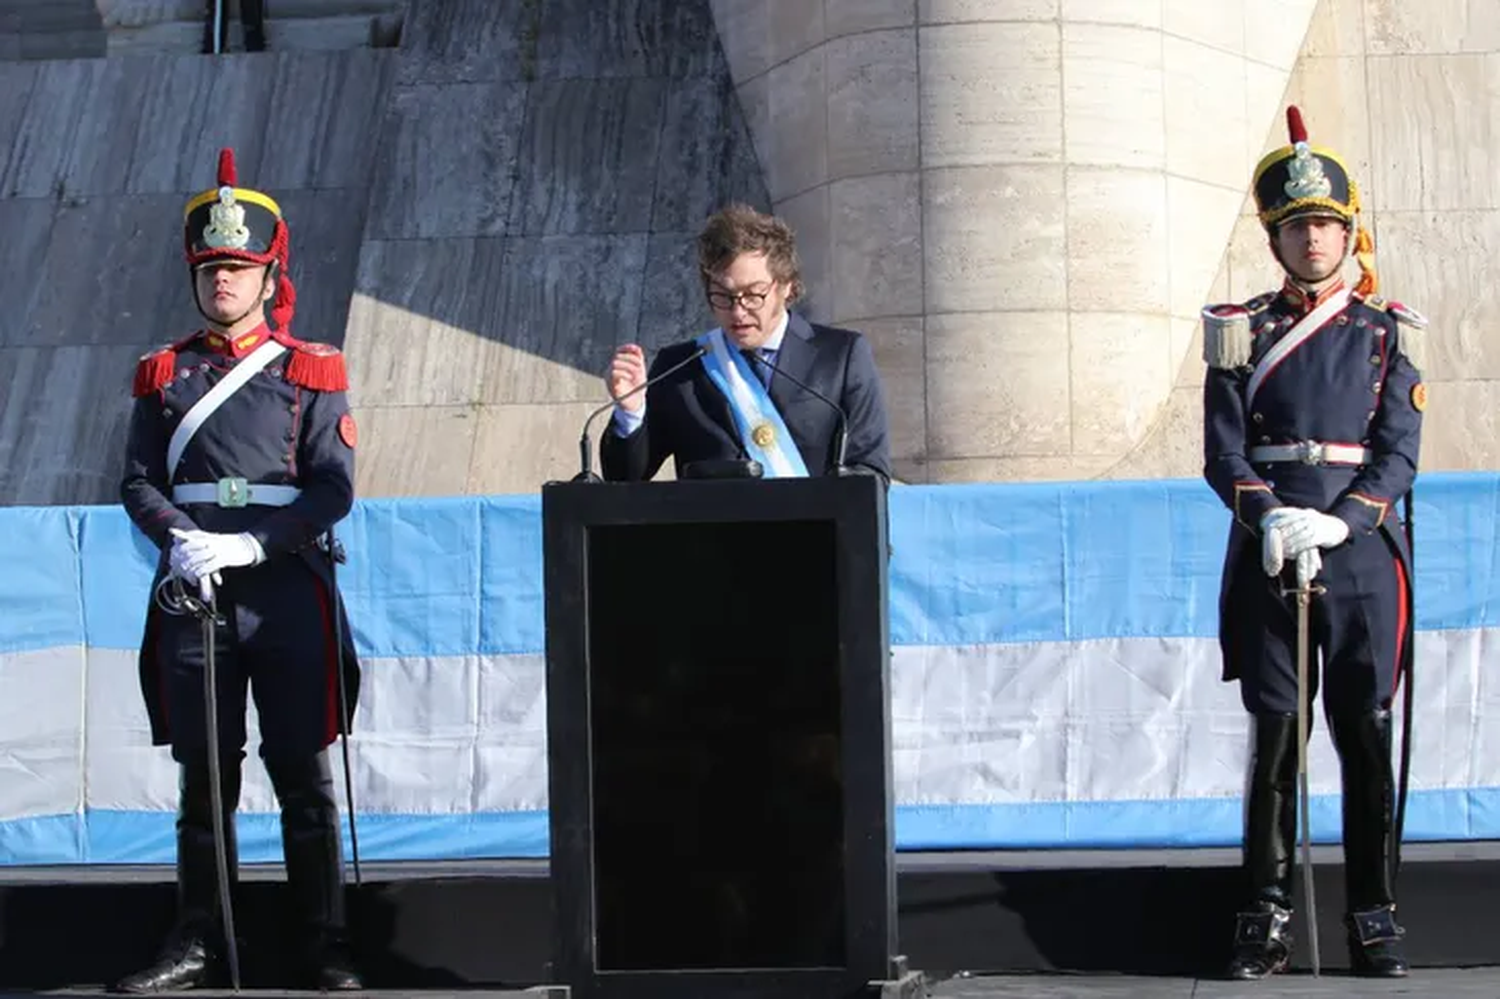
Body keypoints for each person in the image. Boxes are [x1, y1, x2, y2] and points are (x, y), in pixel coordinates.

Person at [113, 148, 361, 993]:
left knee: (301, 769)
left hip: (284, 586)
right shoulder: (163, 374)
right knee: (203, 776)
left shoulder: (310, 369)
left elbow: (334, 486)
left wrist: (257, 542)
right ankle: (200, 939)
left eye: (239, 266)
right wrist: (181, 536)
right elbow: (138, 478)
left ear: (269, 273)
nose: (223, 280)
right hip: (196, 590)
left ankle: (321, 941)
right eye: (211, 266)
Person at [1202, 106, 1426, 980]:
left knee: (1365, 733)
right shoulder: (1241, 330)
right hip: (1271, 548)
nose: (1314, 241)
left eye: (1326, 226)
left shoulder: (1386, 331)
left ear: (1348, 233)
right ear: (1277, 241)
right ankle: (1264, 910)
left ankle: (1374, 909)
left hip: (1359, 547)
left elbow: (1400, 451)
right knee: (1278, 734)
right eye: (1297, 228)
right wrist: (1271, 517)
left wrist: (1349, 515)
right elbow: (1222, 452)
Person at [600, 204, 892, 483]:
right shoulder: (680, 367)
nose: (738, 312)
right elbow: (624, 477)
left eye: (753, 295)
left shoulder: (841, 357)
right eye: (723, 296)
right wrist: (631, 412)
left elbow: (870, 470)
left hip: (815, 532)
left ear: (786, 286)